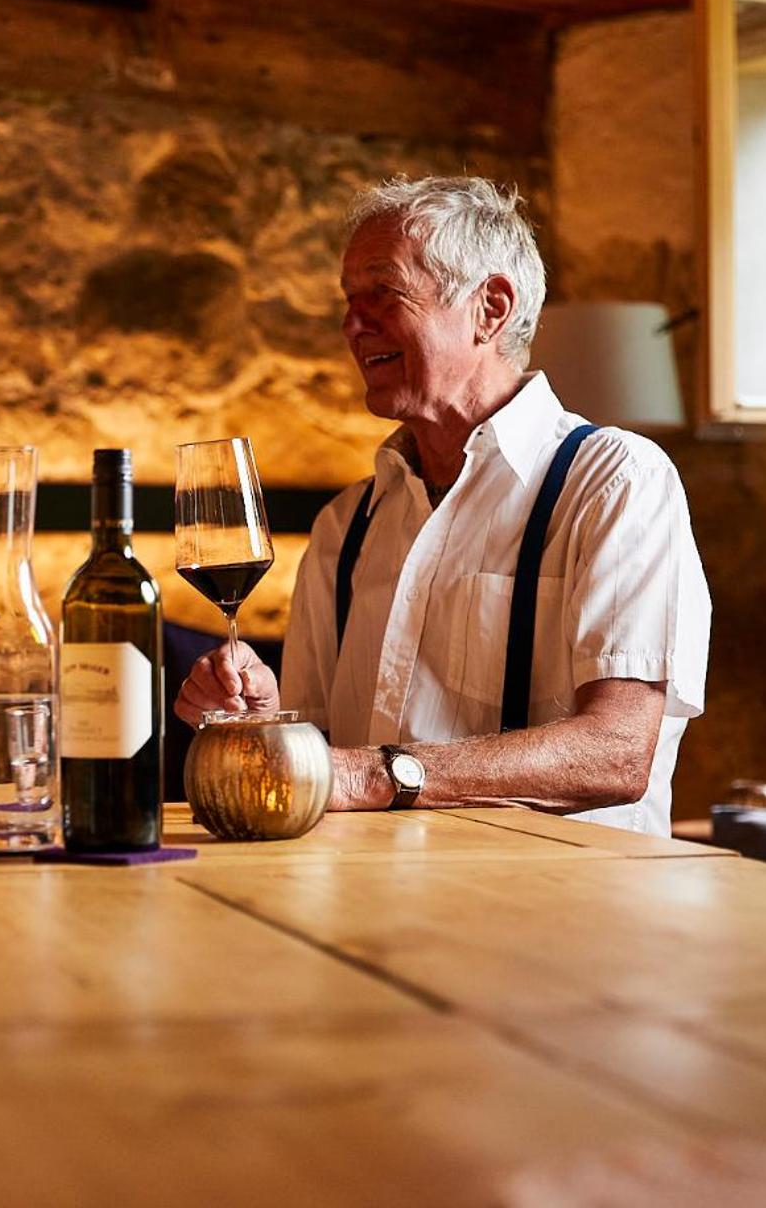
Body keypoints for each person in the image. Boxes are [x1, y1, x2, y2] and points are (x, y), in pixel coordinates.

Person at [175, 176, 709, 834]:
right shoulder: (344, 524)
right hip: (375, 891)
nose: (352, 325)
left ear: (490, 309)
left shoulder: (615, 481)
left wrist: (375, 774)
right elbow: (324, 756)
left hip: (567, 890)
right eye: (348, 301)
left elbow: (617, 753)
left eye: (384, 293)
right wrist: (261, 720)